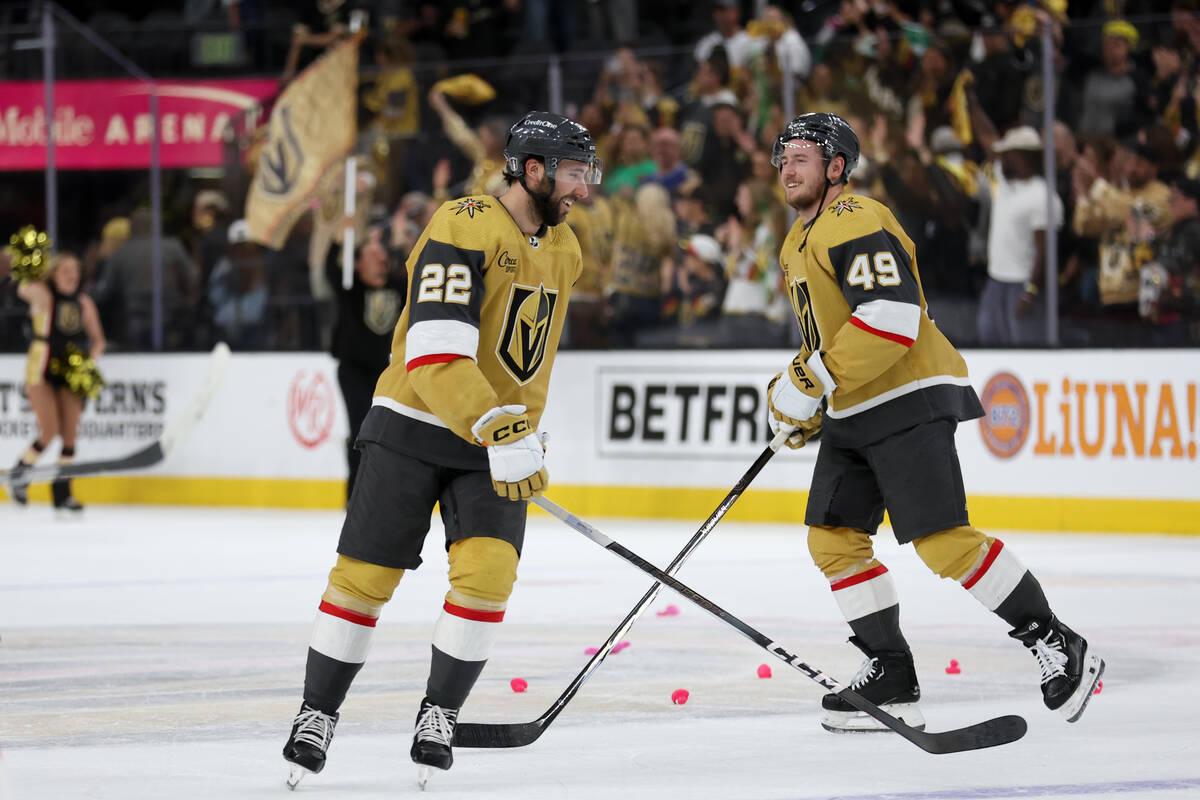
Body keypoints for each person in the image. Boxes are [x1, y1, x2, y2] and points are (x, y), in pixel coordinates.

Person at [281, 110, 601, 789]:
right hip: (414, 426)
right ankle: (317, 713)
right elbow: (433, 350)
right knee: (364, 580)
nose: (583, 187)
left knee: (488, 578)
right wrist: (499, 425)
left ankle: (440, 713)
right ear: (534, 169)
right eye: (573, 173)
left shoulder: (565, 249)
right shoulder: (462, 222)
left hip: (493, 442)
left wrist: (524, 429)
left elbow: (531, 365)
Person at [765, 112, 1104, 734]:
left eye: (803, 156)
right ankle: (892, 675)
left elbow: (891, 318)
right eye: (782, 157)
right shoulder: (795, 241)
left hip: (906, 394)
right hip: (856, 406)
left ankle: (1060, 643)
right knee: (833, 539)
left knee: (943, 541)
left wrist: (812, 382)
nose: (787, 166)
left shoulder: (856, 218)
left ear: (837, 167)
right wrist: (808, 400)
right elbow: (832, 336)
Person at [9, 252, 106, 512]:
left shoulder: (84, 303)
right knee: (49, 430)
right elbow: (22, 288)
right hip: (40, 368)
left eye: (75, 271)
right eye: (66, 271)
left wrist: (89, 362)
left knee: (71, 434)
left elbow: (98, 341)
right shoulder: (44, 296)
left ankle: (62, 492)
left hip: (71, 368)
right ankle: (21, 471)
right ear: (53, 274)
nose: (72, 276)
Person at [325, 223, 407, 502]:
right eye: (371, 255)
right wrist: (339, 239)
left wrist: (400, 242)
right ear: (357, 264)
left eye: (381, 255)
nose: (380, 259)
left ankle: (382, 491)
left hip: (384, 372)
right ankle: (355, 493)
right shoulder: (351, 289)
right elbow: (330, 269)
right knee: (360, 429)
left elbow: (414, 273)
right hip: (353, 370)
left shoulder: (397, 287)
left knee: (387, 433)